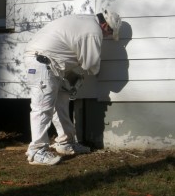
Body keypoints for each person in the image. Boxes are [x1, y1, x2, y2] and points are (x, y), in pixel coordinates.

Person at [24, 9, 122, 165]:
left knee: (60, 104)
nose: (107, 36)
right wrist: (84, 71)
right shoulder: (94, 31)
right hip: (43, 63)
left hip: (52, 64)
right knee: (42, 108)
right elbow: (91, 65)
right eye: (109, 33)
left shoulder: (86, 21)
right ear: (105, 25)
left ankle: (65, 142)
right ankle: (37, 151)